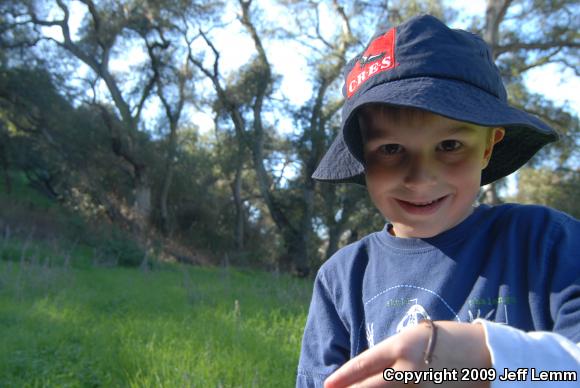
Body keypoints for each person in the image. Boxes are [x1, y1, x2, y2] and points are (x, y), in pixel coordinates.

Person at [296, 14, 580, 388]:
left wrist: (486, 361)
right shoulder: (342, 279)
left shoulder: (547, 243)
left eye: (449, 145)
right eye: (391, 148)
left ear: (487, 148)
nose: (420, 177)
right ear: (363, 156)